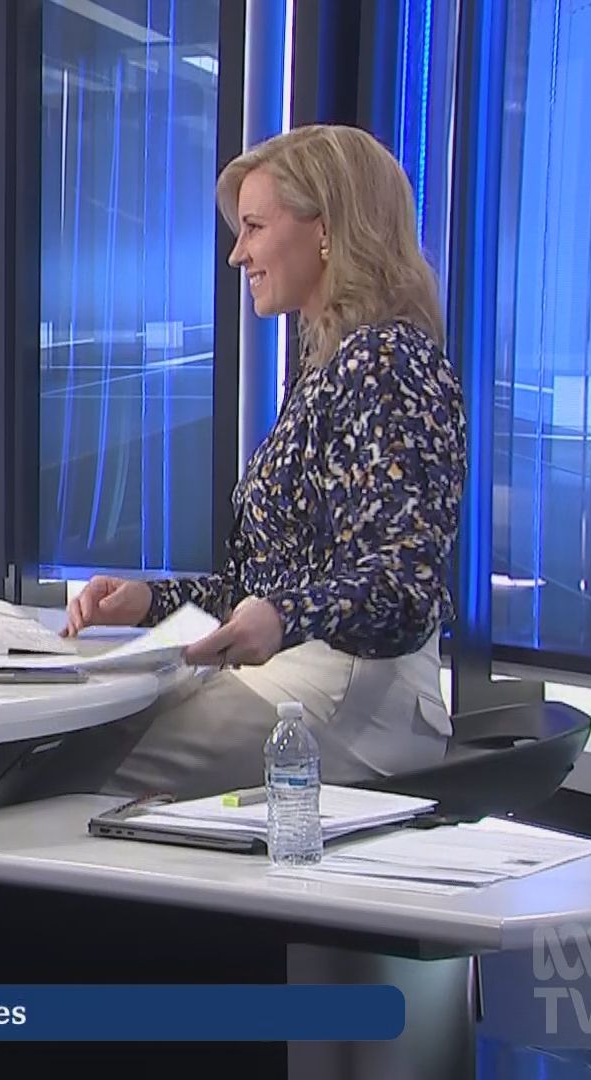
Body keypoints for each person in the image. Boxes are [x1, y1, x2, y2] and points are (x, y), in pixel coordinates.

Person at [64, 124, 464, 799]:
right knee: (74, 740)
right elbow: (270, 586)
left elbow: (404, 584)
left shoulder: (389, 362)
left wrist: (283, 616)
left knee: (77, 762)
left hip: (353, 695)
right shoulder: (326, 366)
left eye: (253, 227)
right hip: (298, 677)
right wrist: (152, 602)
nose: (236, 254)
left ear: (326, 229)